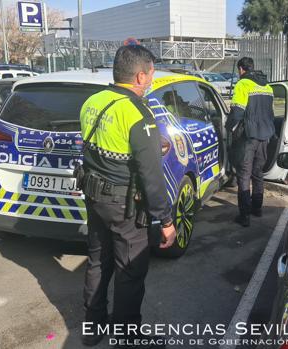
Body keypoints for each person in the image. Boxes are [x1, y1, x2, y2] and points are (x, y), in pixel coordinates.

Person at [79, 44, 176, 348]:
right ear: (138, 76)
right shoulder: (138, 113)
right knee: (130, 272)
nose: (150, 80)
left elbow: (100, 149)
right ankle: (126, 336)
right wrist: (166, 219)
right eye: (150, 74)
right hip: (125, 208)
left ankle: (93, 327)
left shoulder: (92, 102)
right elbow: (151, 175)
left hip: (95, 199)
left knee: (97, 262)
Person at [225, 57, 275, 227]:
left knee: (244, 175)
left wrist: (228, 126)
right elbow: (270, 112)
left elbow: (238, 111)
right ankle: (257, 208)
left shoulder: (242, 84)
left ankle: (244, 216)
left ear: (241, 69)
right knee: (257, 173)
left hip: (248, 136)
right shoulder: (267, 86)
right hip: (265, 136)